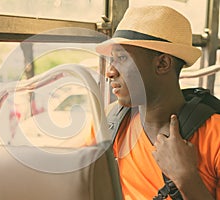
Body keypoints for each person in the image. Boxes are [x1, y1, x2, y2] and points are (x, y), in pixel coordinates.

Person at [93, 5, 220, 200]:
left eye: (122, 58)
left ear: (162, 64)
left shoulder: (214, 135)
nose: (110, 71)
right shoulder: (112, 123)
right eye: (112, 59)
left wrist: (186, 178)